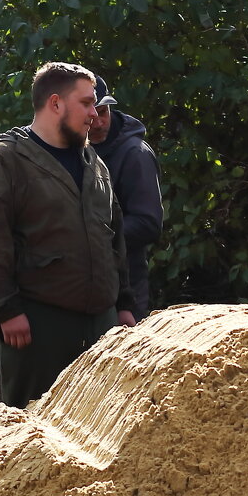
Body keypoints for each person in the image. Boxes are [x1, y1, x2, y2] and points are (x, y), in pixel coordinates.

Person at [0, 61, 137, 408]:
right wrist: (5, 309)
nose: (95, 113)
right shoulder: (5, 163)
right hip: (38, 325)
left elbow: (114, 238)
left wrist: (122, 304)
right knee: (34, 433)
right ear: (56, 103)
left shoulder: (95, 163)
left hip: (101, 324)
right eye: (87, 103)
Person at [87, 75, 163, 322]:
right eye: (92, 113)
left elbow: (148, 223)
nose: (98, 122)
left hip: (127, 287)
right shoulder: (76, 150)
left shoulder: (135, 154)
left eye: (104, 112)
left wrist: (92, 235)